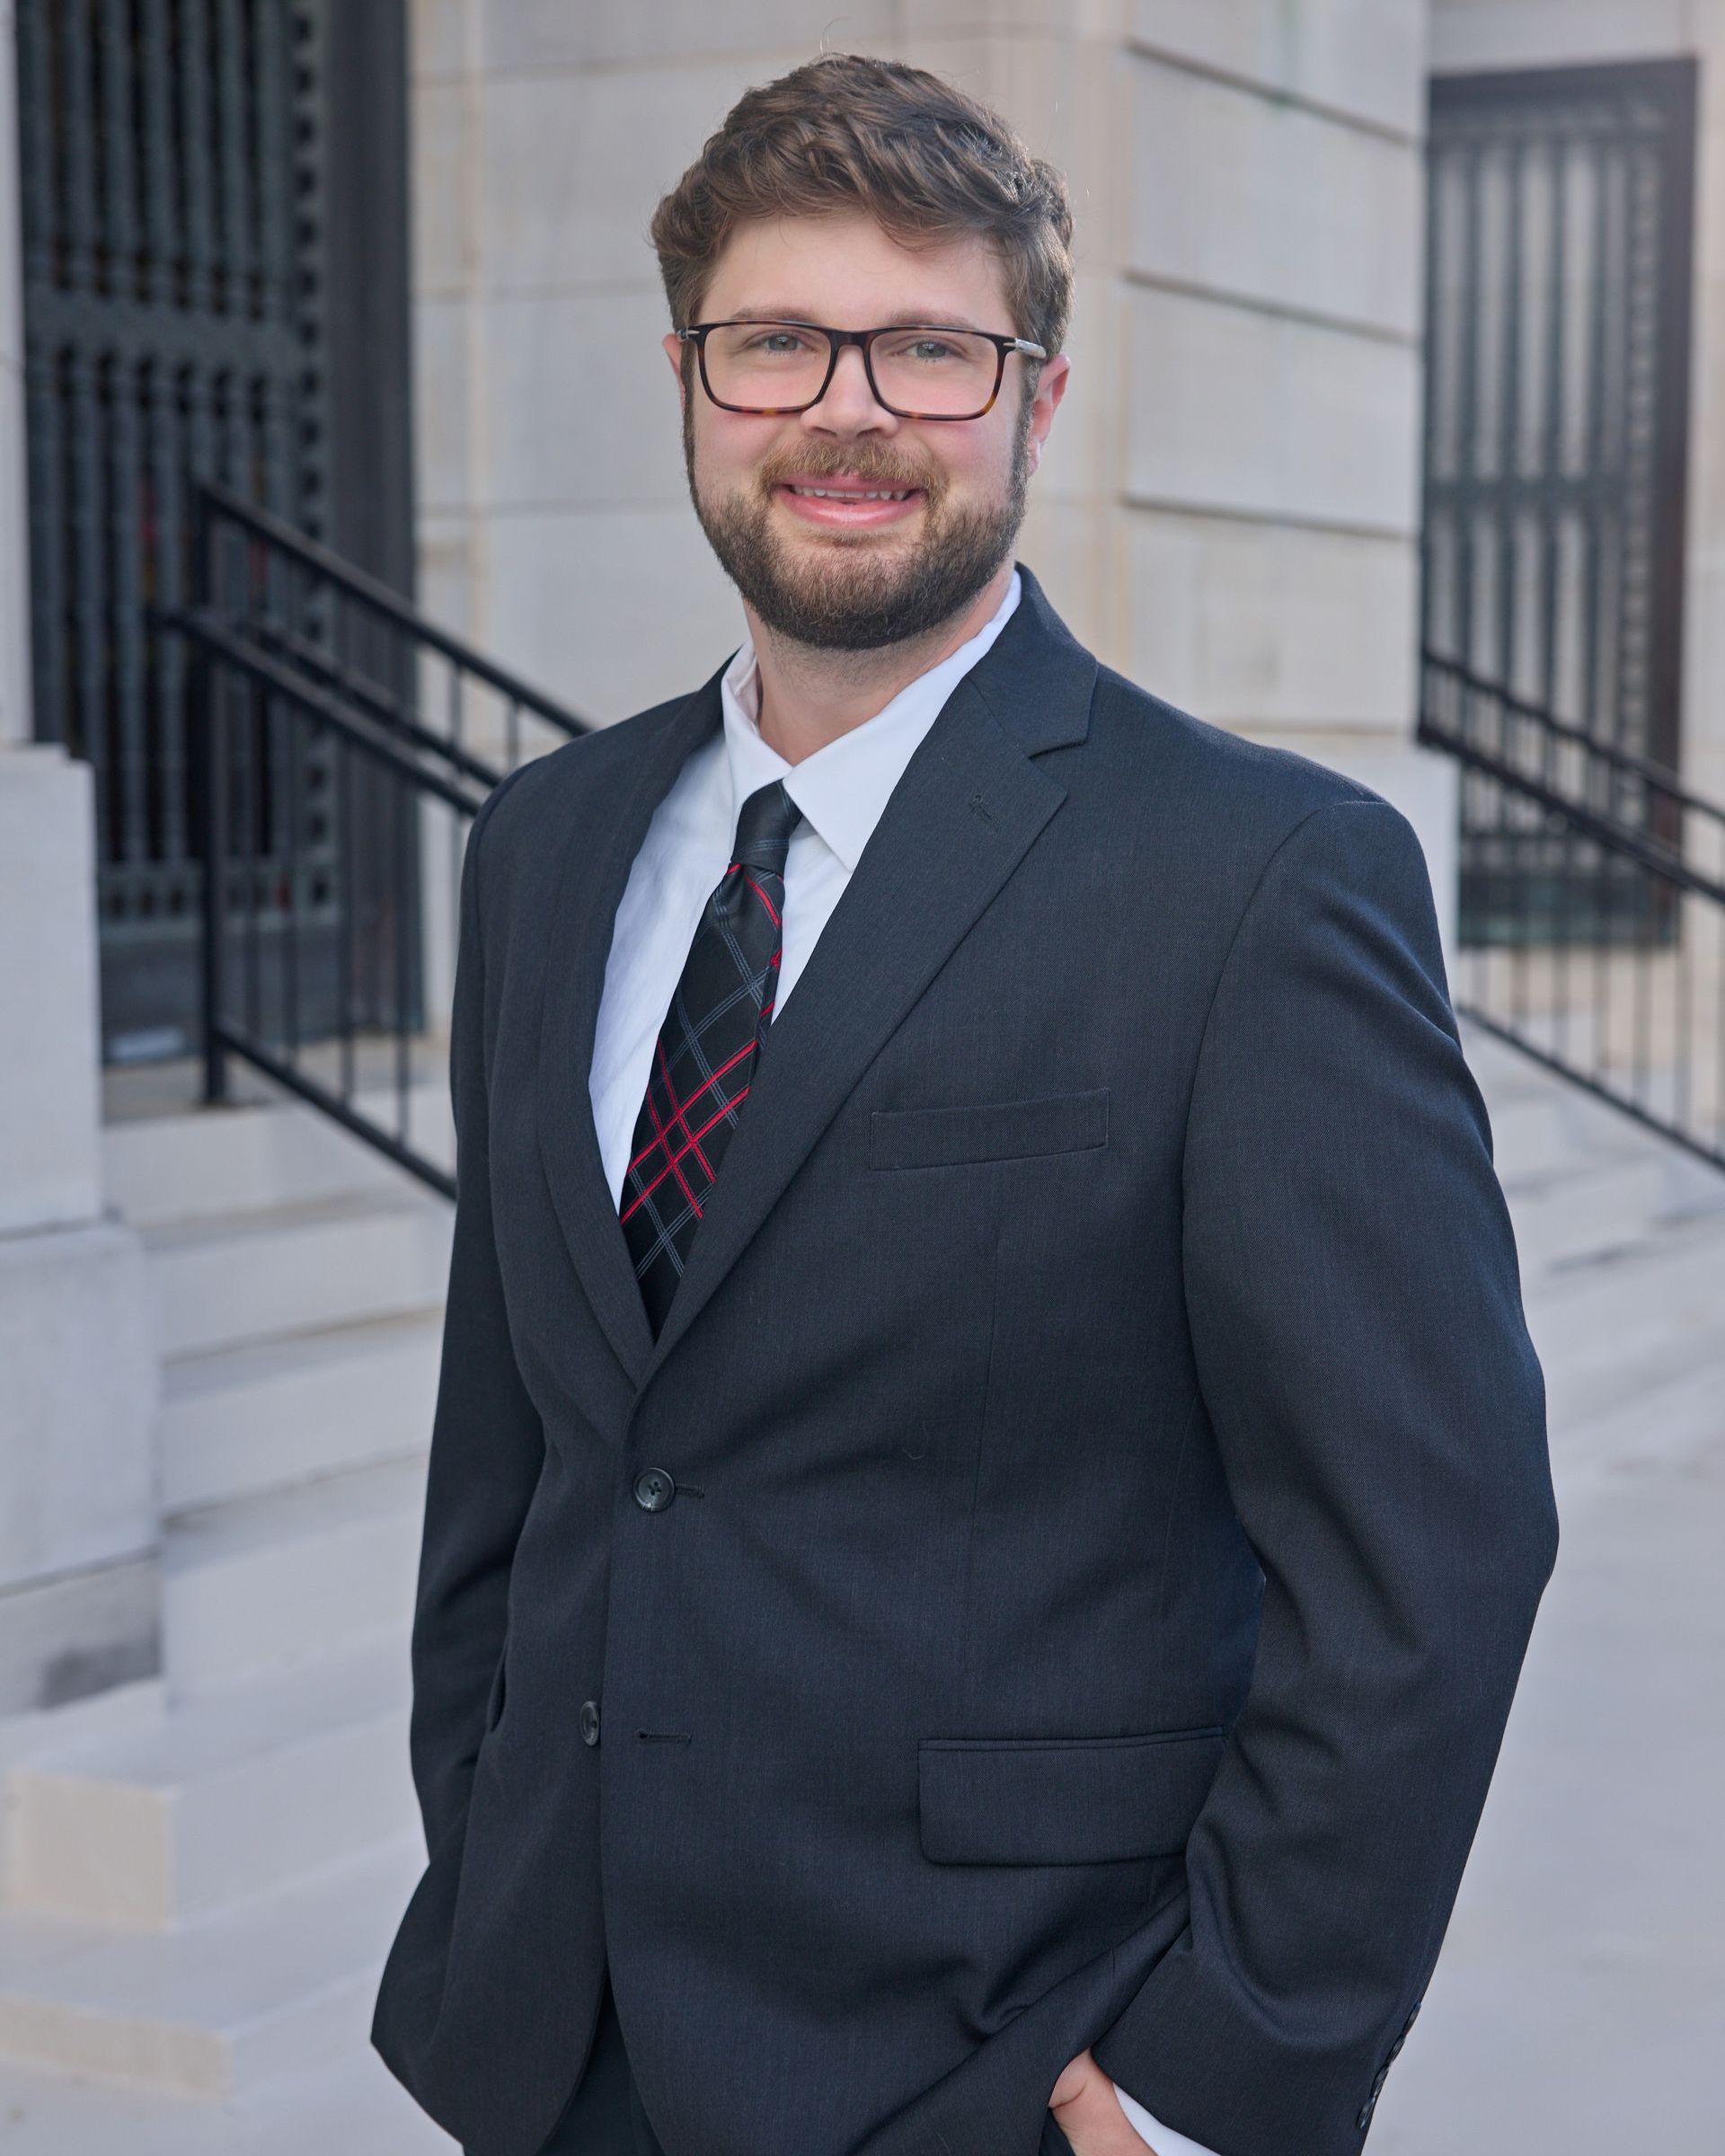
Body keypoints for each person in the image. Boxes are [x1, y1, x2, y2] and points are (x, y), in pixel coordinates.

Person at [370, 52, 1558, 2156]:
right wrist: (478, 1843)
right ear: (688, 382)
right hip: (552, 2036)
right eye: (777, 345)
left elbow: (1430, 1550)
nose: (847, 410)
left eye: (930, 347)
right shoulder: (541, 844)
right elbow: (524, 1454)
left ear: (1036, 398)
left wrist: (1216, 2077)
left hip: (995, 2064)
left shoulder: (1257, 880)